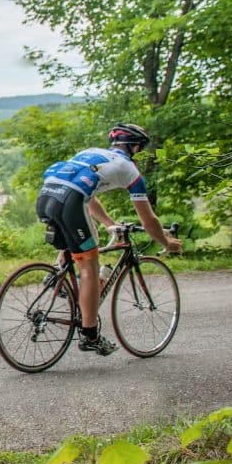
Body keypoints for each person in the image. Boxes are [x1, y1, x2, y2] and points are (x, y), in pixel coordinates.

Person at [35, 122, 182, 356]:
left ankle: (57, 275)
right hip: (70, 202)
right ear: (134, 147)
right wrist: (167, 242)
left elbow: (87, 195)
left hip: (46, 197)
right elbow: (148, 221)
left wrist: (107, 222)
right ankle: (90, 335)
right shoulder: (129, 170)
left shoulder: (92, 153)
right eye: (140, 149)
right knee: (90, 268)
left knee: (76, 244)